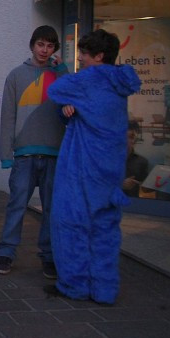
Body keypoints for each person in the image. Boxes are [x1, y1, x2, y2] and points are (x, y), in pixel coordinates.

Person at [47, 29, 141, 305]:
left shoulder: (90, 79)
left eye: (85, 54)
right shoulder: (119, 83)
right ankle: (104, 289)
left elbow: (56, 90)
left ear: (99, 56)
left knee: (72, 226)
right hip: (111, 168)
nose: (81, 59)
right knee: (106, 231)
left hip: (83, 167)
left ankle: (74, 285)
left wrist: (69, 99)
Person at [0, 25, 67, 278]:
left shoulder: (60, 75)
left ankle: (48, 256)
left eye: (50, 46)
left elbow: (71, 101)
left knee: (51, 209)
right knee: (16, 205)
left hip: (53, 153)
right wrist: (6, 154)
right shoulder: (16, 75)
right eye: (40, 44)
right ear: (32, 45)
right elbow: (8, 117)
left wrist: (62, 71)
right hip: (24, 154)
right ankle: (6, 252)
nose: (44, 50)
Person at [123, 121, 149, 198]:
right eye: (130, 137)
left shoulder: (142, 161)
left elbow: (145, 189)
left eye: (133, 137)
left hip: (134, 206)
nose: (133, 141)